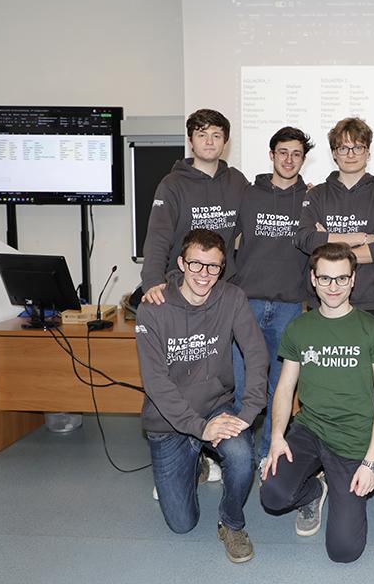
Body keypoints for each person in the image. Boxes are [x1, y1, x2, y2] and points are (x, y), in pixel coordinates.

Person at [135, 229, 269, 563]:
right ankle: (194, 460)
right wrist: (199, 428)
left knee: (241, 457)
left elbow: (256, 355)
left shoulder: (232, 298)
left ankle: (232, 523)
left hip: (215, 409)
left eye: (213, 267)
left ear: (222, 268)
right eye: (196, 264)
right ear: (181, 263)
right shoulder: (154, 307)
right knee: (182, 524)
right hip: (168, 423)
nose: (203, 274)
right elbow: (155, 381)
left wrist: (247, 414)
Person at [259, 243, 374, 563]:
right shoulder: (299, 327)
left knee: (344, 551)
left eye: (341, 278)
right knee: (273, 494)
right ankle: (314, 491)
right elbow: (284, 389)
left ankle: (341, 486)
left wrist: (371, 462)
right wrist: (277, 437)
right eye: (325, 278)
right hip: (310, 429)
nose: (333, 287)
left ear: (352, 280)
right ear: (313, 279)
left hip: (353, 438)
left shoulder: (373, 329)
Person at [230, 127, 314, 468]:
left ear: (303, 159)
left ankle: (268, 453)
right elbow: (224, 240)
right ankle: (237, 457)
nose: (289, 160)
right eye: (283, 152)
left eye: (296, 154)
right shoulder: (248, 195)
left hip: (289, 306)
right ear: (271, 155)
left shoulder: (311, 199)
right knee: (242, 387)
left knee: (281, 388)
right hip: (246, 304)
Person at [294, 117, 374, 323]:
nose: (351, 155)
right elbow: (305, 239)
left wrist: (327, 246)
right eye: (343, 148)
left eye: (358, 147)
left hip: (371, 303)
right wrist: (361, 238)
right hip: (322, 302)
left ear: (368, 152)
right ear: (334, 153)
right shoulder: (316, 195)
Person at [140, 108, 248, 306]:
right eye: (202, 135)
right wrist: (153, 282)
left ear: (225, 142)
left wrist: (302, 193)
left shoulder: (237, 181)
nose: (209, 141)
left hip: (223, 290)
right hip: (182, 290)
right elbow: (158, 239)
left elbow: (258, 213)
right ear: (191, 141)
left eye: (216, 135)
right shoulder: (171, 185)